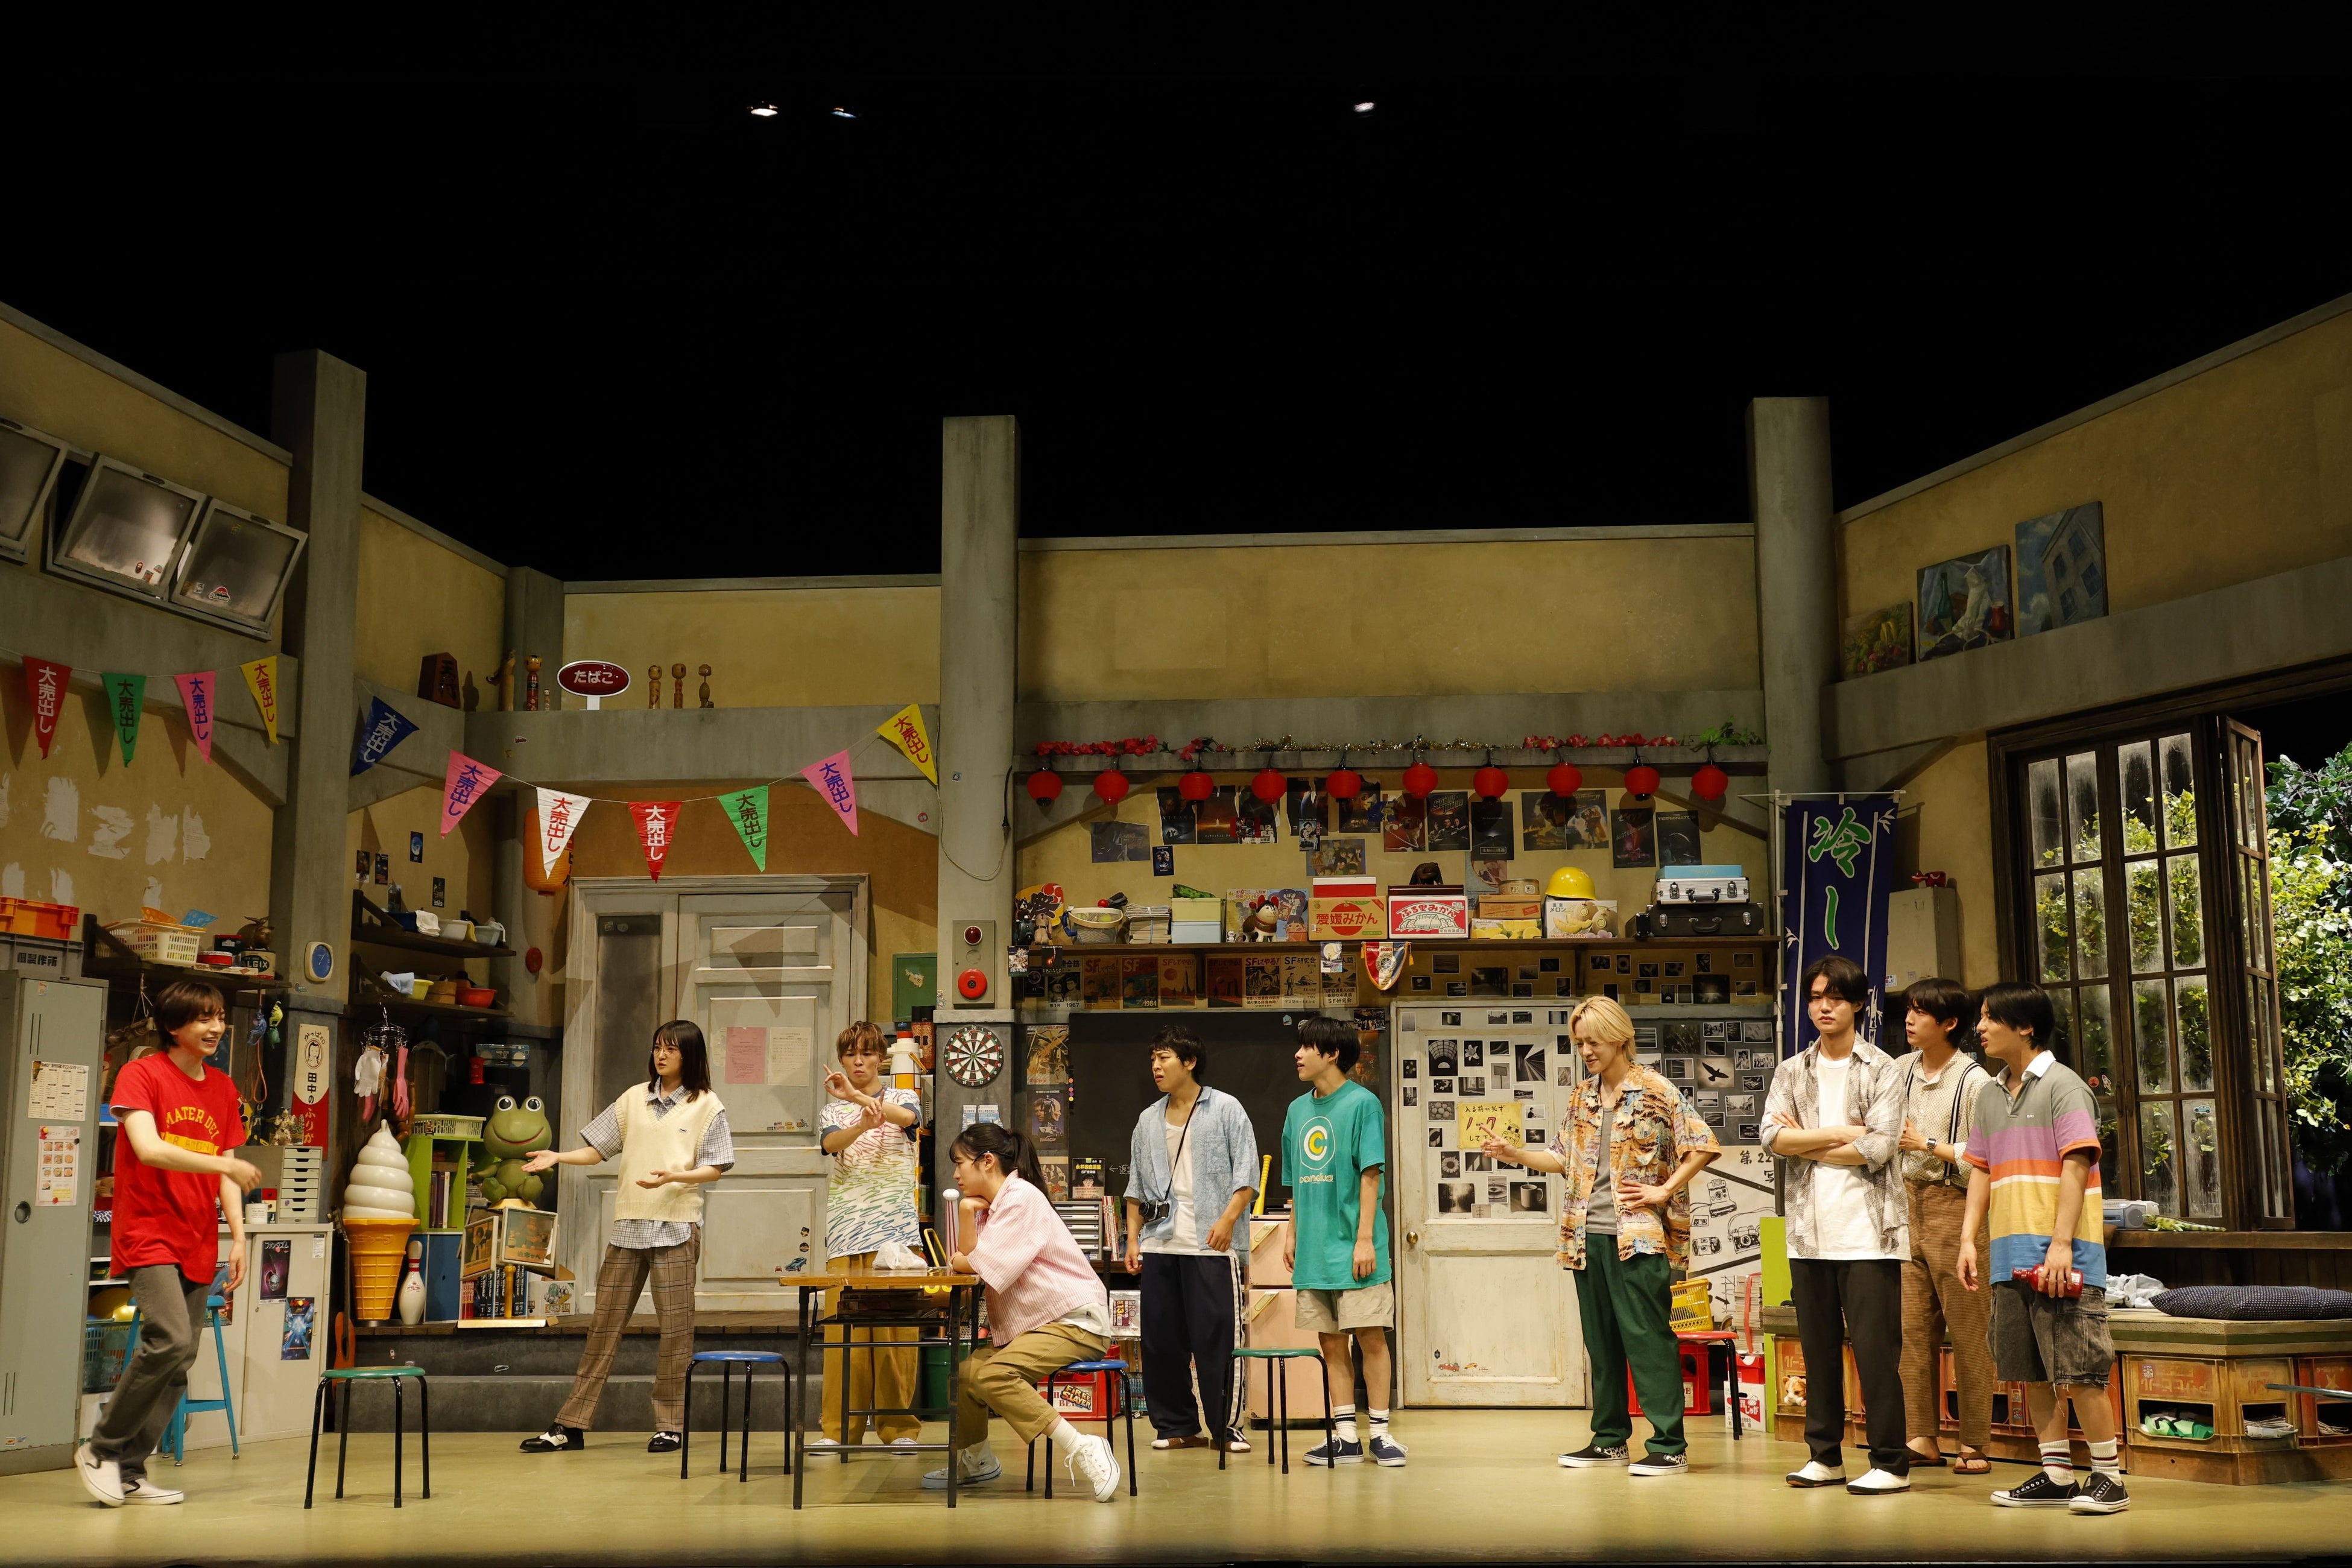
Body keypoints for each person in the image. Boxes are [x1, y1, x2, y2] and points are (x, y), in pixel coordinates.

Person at [1487, 996, 1719, 1476]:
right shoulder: (1583, 1097)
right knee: (1602, 1343)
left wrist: (1663, 1190)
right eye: (1580, 1043)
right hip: (1585, 1238)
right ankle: (1610, 1439)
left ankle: (1669, 1445)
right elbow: (1562, 1157)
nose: (1586, 1051)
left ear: (1618, 1037)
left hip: (1638, 1238)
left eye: (1593, 1041)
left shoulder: (1655, 1090)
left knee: (1647, 1339)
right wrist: (1516, 1154)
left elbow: (1702, 1144)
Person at [78, 982, 261, 1506]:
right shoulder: (142, 1075)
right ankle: (99, 1450)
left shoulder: (222, 1088)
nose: (216, 1027)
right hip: (148, 1230)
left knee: (181, 1360)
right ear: (173, 1026)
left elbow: (227, 1174)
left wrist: (239, 1235)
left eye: (220, 1016)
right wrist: (223, 1163)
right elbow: (149, 1149)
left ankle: (130, 1471)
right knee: (170, 1339)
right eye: (203, 1018)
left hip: (197, 1236)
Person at [517, 1020, 732, 1455]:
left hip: (675, 1226)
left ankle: (670, 1425)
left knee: (675, 1333)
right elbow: (597, 1149)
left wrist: (676, 1176)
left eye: (671, 1049)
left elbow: (716, 1166)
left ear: (690, 1055)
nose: (661, 1055)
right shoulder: (633, 1098)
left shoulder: (708, 1105)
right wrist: (558, 1156)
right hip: (629, 1227)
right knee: (603, 1327)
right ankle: (570, 1425)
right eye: (657, 1047)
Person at [1958, 982, 2126, 1514]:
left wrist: (2061, 1245)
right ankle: (2057, 1475)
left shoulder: (2064, 1086)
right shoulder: (1989, 1094)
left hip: (2062, 1256)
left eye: (1990, 1017)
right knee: (2028, 1369)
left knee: (2080, 1370)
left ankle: (2110, 1478)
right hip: (2009, 1255)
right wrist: (1968, 1239)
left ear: (2026, 1026)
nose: (1980, 1028)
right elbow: (1981, 1171)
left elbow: (2076, 1166)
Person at [1761, 954, 1912, 1496]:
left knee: (1875, 1354)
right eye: (1815, 997)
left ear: (1857, 1005)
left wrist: (1806, 1140)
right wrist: (1841, 1133)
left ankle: (1890, 1461)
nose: (1824, 1007)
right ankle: (1824, 1456)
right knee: (1818, 1352)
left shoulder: (1882, 1068)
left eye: (1836, 998)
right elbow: (1772, 1139)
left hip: (1870, 1235)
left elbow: (1880, 1146)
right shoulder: (1791, 1070)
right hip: (1808, 1234)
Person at [930, 1122, 1124, 1502]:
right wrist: (967, 1213)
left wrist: (960, 1259)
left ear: (987, 1161)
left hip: (1075, 1323)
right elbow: (972, 1257)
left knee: (994, 1375)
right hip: (1043, 1326)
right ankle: (977, 1460)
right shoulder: (994, 1206)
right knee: (967, 1373)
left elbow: (979, 1264)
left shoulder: (1020, 1198)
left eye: (960, 1163)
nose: (955, 1174)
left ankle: (1084, 1446)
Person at [1121, 1026, 1260, 1453]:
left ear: (1190, 1062)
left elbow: (1247, 1176)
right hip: (1160, 1244)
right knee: (1160, 1342)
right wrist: (1132, 1239)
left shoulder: (1226, 1109)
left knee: (1217, 1339)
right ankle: (1175, 1426)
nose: (1156, 1066)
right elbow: (1135, 1186)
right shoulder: (1147, 1119)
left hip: (1210, 1245)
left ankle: (1226, 1428)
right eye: (1153, 1059)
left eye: (1164, 1058)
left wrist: (1227, 1221)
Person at [1282, 1016, 1403, 1467]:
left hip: (1356, 1248)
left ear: (1332, 1054)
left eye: (1307, 1047)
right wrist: (1292, 1233)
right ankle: (1346, 1435)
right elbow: (1296, 1180)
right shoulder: (1296, 1111)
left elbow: (1371, 1174)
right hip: (1315, 1251)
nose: (1298, 1055)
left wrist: (1365, 1239)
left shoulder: (1363, 1104)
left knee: (1370, 1338)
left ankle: (1382, 1434)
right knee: (1331, 1342)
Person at [1891, 978, 1996, 1475]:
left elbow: (1985, 1158)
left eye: (1920, 1012)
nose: (1909, 1019)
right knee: (1912, 1327)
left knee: (1969, 1328)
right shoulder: (1899, 1070)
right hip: (1905, 1202)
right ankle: (1921, 1435)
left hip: (1957, 1204)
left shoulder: (1974, 1081)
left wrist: (1928, 1145)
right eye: (1908, 1010)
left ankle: (1975, 1441)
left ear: (1950, 1023)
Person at [810, 1022, 924, 1450]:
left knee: (896, 1339)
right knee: (846, 1340)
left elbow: (907, 1119)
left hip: (896, 1237)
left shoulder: (903, 1097)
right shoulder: (831, 1111)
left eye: (867, 1053)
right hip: (846, 1234)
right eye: (850, 1054)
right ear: (842, 1059)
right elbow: (831, 1144)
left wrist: (857, 1098)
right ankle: (839, 1431)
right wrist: (858, 1120)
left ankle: (900, 1429)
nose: (858, 1062)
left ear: (881, 1058)